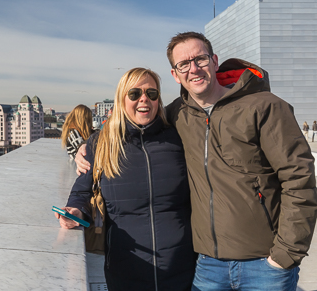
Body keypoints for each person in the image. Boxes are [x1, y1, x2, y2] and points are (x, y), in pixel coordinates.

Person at [76, 32, 317, 290]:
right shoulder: (178, 113)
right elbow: (136, 120)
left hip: (263, 265)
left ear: (214, 61)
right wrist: (90, 144)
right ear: (175, 74)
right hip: (207, 266)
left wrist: (286, 253)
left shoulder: (264, 106)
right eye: (184, 64)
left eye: (200, 59)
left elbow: (299, 178)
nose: (194, 69)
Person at [56, 68, 195, 290]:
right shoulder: (101, 143)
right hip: (126, 272)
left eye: (152, 93)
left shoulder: (176, 139)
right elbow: (82, 191)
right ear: (122, 99)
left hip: (182, 272)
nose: (144, 99)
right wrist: (75, 210)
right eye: (134, 94)